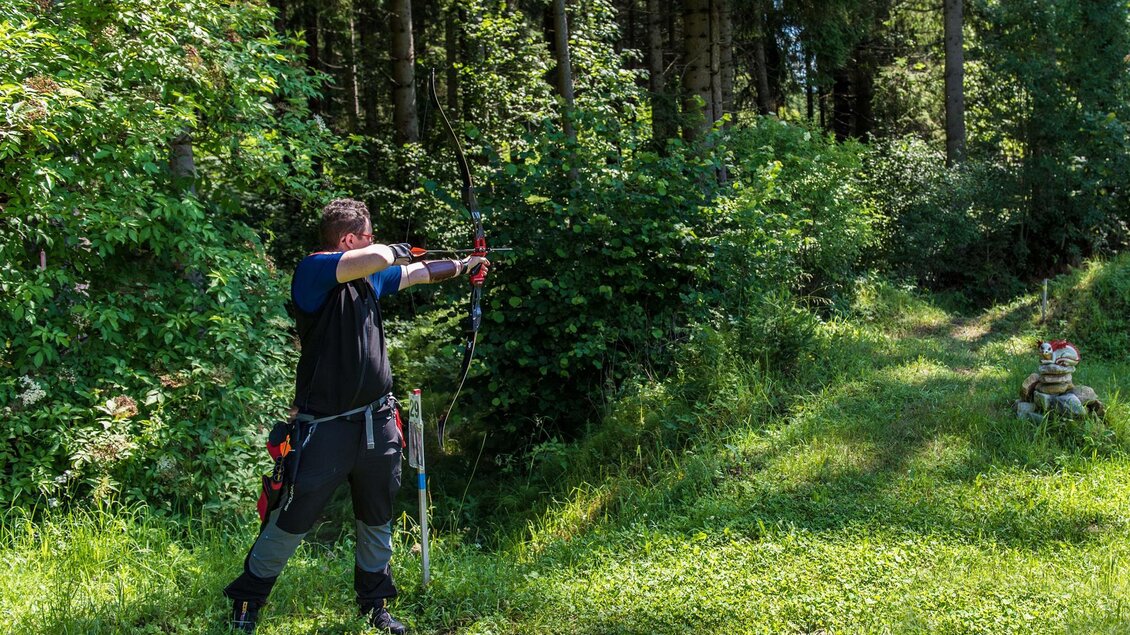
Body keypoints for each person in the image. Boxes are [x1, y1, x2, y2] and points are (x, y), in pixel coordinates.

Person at [223, 198, 489, 633]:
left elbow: (414, 273)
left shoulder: (368, 278)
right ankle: (246, 602)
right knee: (292, 517)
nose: (374, 240)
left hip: (378, 420)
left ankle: (375, 606)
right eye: (367, 234)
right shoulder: (313, 273)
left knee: (377, 515)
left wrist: (465, 264)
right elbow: (386, 256)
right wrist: (395, 248)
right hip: (325, 427)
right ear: (349, 240)